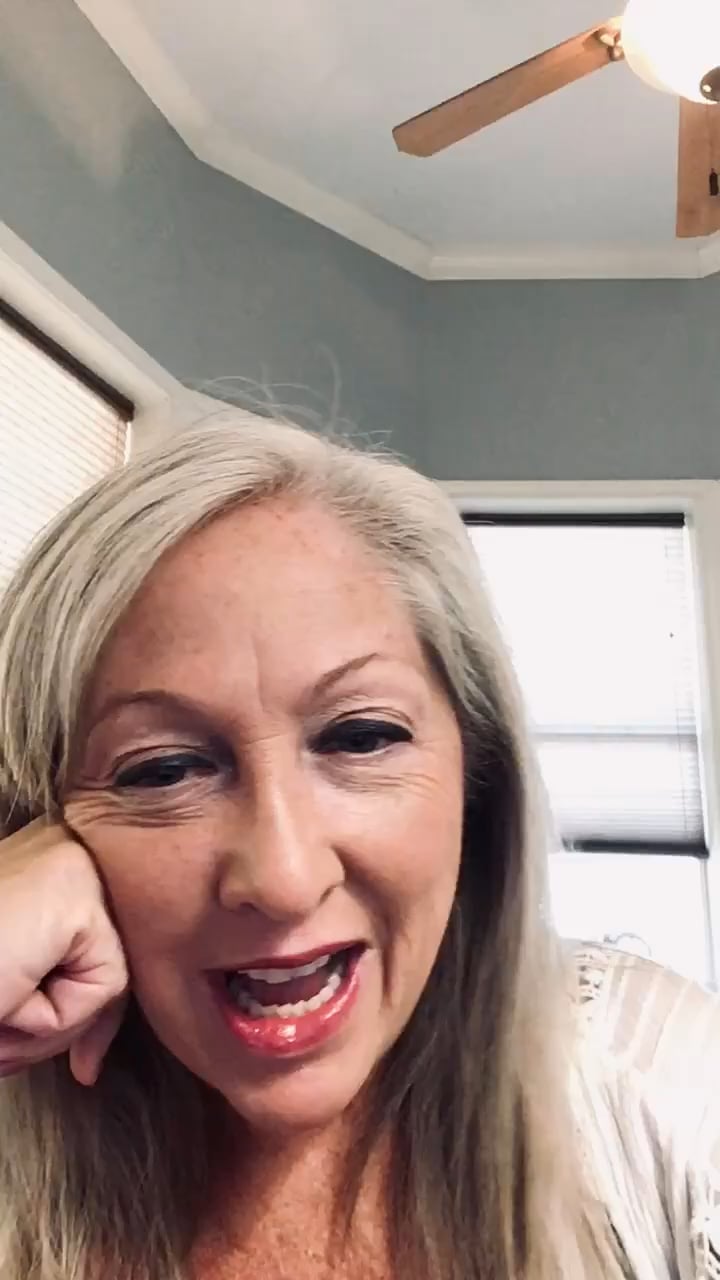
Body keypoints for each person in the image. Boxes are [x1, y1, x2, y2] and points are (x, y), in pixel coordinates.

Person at [0, 414, 717, 1280]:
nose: (285, 877)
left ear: (476, 778)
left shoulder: (656, 1079)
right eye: (164, 770)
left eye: (361, 737)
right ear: (40, 830)